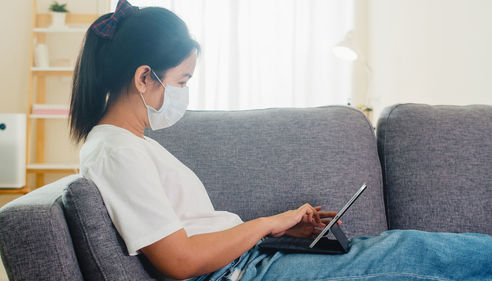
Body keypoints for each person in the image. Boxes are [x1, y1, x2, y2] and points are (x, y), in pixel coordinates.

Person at [70, 1, 492, 280]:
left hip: (252, 262)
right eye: (182, 81)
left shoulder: (132, 144)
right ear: (145, 77)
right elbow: (180, 261)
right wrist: (271, 224)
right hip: (243, 273)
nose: (184, 93)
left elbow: (192, 234)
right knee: (418, 262)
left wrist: (282, 232)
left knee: (409, 246)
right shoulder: (115, 151)